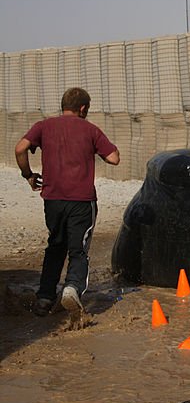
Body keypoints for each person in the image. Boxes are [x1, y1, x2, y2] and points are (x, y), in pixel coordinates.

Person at [13, 88, 120, 317]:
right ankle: (71, 289)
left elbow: (20, 148)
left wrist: (28, 175)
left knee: (55, 246)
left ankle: (44, 298)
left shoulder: (43, 126)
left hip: (52, 199)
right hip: (81, 201)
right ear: (83, 108)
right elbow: (114, 158)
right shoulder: (90, 129)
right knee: (78, 250)